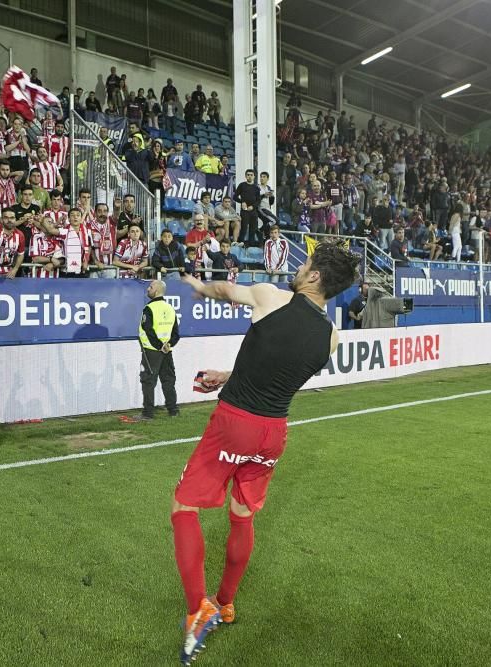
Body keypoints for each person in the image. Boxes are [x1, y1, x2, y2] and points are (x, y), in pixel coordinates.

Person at [172, 242, 359, 665]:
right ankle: (225, 603)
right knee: (242, 514)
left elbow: (223, 291)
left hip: (234, 423)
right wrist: (228, 375)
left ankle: (197, 609)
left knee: (184, 505)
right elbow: (276, 368)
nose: (299, 267)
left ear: (314, 277)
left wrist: (199, 285)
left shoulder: (272, 298)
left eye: (306, 264)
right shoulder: (331, 337)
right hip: (273, 432)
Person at [135, 279, 180, 421]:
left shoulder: (149, 309)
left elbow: (148, 330)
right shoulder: (170, 308)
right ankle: (173, 411)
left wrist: (159, 345)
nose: (148, 289)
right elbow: (176, 333)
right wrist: (167, 345)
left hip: (151, 351)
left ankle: (148, 413)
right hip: (167, 351)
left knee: (148, 381)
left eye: (151, 286)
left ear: (158, 290)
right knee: (168, 380)